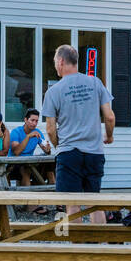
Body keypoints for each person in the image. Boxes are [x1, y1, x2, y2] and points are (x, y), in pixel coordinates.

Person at [42, 44, 116, 244]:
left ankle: (79, 257)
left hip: (69, 153)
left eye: (55, 63)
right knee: (95, 201)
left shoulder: (54, 91)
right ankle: (99, 250)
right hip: (94, 153)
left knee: (72, 204)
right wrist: (109, 136)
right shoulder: (95, 82)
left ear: (61, 61)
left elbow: (50, 129)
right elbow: (109, 117)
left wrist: (59, 146)